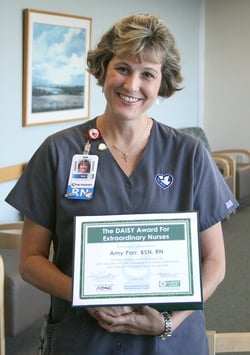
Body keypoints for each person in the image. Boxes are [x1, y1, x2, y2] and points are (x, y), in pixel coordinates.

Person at [6, 14, 238, 355]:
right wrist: (83, 294)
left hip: (171, 342)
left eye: (148, 74)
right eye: (123, 68)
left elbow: (214, 262)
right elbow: (31, 260)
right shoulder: (58, 152)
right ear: (103, 70)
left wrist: (170, 321)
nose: (131, 86)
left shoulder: (188, 155)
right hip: (84, 338)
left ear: (162, 83)